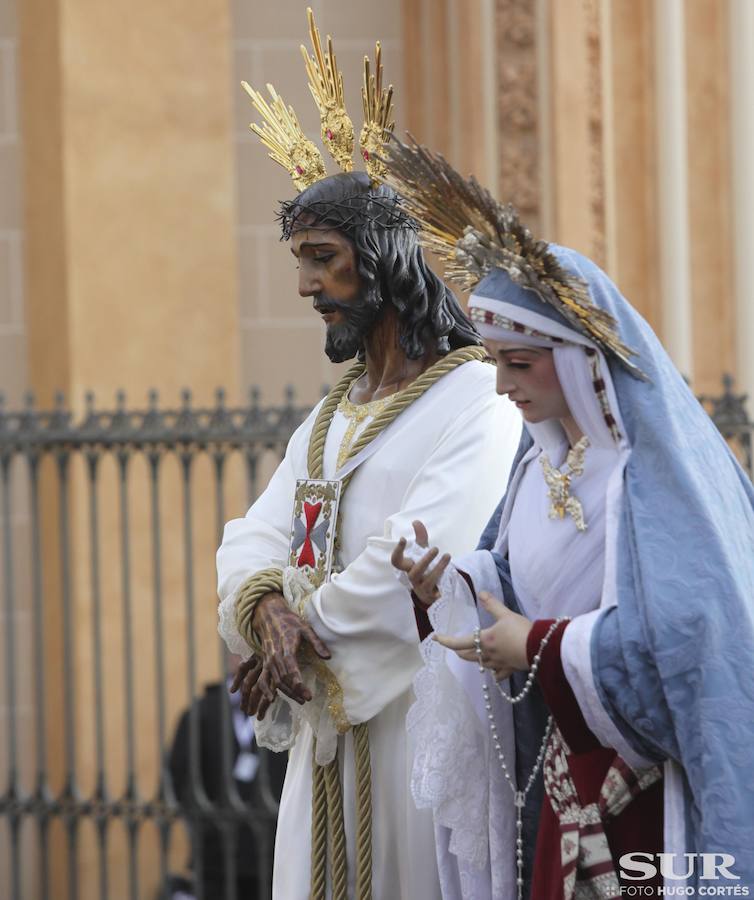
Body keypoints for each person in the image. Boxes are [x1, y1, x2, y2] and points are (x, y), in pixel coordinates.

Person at [388, 136, 754, 899]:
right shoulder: (537, 466)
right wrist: (453, 587)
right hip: (567, 784)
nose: (500, 387)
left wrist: (542, 646)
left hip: (652, 806)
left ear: (583, 359)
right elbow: (517, 587)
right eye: (492, 361)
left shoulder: (649, 480)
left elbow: (696, 639)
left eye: (518, 364)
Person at [217, 14, 522, 898]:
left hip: (414, 734)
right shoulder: (330, 418)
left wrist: (300, 643)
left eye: (324, 259)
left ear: (381, 261)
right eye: (300, 262)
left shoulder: (477, 397)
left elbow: (423, 551)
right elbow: (253, 534)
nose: (307, 285)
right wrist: (268, 613)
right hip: (326, 742)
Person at [166, 655, 287, 900]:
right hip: (217, 859)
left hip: (274, 856)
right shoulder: (200, 713)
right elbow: (181, 778)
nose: (245, 656)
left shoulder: (287, 711)